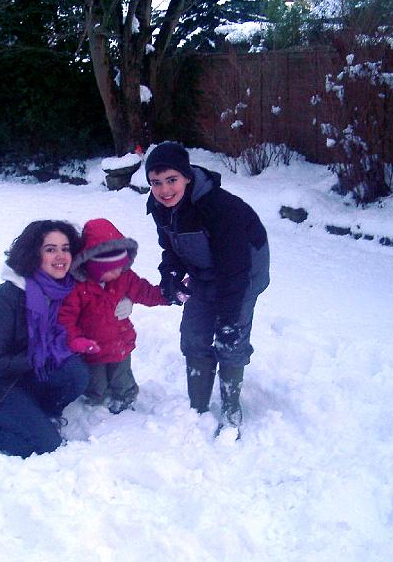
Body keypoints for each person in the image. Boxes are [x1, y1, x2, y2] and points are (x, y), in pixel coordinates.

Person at [144, 142, 270, 436]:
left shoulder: (221, 209)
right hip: (205, 272)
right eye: (156, 183)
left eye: (171, 180)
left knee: (230, 339)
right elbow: (171, 248)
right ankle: (197, 409)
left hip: (243, 275)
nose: (164, 190)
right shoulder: (161, 208)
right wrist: (171, 274)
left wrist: (228, 321)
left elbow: (235, 272)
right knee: (194, 336)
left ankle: (231, 409)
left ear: (187, 177)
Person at [0, 220, 89, 458]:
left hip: (28, 373)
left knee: (76, 374)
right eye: (50, 249)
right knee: (45, 446)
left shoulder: (61, 288)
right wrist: (42, 357)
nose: (61, 256)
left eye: (65, 248)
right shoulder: (7, 296)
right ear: (34, 254)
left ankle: (39, 414)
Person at [58, 218, 169, 414]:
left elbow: (146, 292)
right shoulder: (78, 287)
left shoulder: (124, 277)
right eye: (112, 270)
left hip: (119, 342)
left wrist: (169, 295)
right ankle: (94, 405)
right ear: (94, 267)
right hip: (92, 348)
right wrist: (75, 340)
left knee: (122, 377)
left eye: (121, 266)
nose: (118, 272)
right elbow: (66, 317)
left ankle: (125, 400)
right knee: (96, 383)